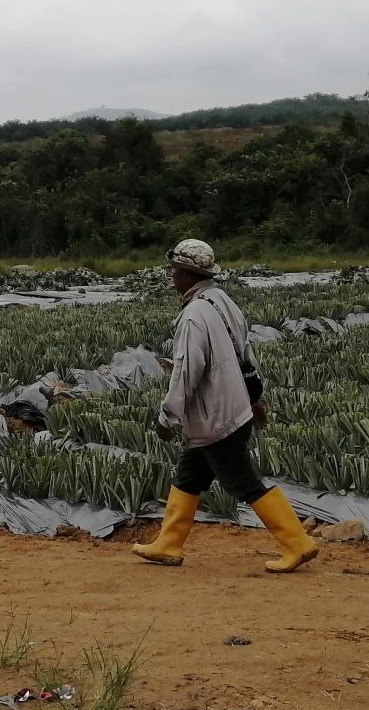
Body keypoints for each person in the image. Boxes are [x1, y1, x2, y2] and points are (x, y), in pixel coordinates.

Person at [131, 238, 323, 574]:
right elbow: (245, 353)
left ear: (189, 274)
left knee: (243, 482)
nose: (172, 275)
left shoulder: (193, 317)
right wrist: (255, 396)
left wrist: (167, 417)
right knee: (190, 475)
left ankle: (298, 543)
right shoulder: (222, 300)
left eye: (175, 269)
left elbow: (185, 374)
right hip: (235, 407)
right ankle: (168, 543)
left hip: (216, 417)